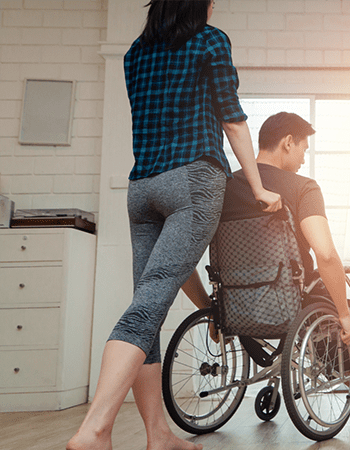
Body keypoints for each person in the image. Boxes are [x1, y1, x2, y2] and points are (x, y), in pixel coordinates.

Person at [67, 2, 280, 449]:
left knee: (148, 307)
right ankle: (94, 430)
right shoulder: (209, 40)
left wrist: (206, 303)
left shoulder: (134, 53)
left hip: (142, 188)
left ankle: (158, 434)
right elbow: (234, 121)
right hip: (193, 181)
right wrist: (259, 189)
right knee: (147, 309)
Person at [183, 112, 350, 347]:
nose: (303, 160)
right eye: (303, 150)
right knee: (344, 304)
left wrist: (209, 310)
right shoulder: (303, 188)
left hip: (234, 306)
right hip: (291, 303)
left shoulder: (220, 189)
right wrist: (345, 315)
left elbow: (181, 258)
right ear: (288, 142)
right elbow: (325, 254)